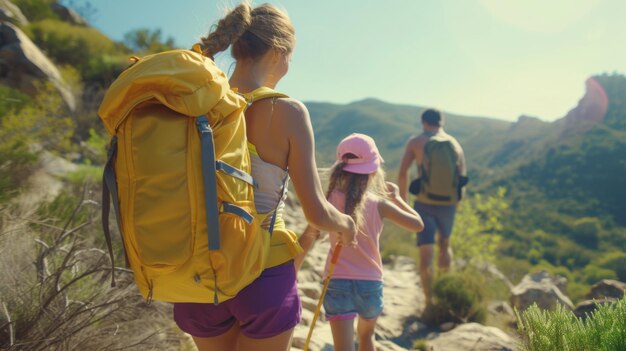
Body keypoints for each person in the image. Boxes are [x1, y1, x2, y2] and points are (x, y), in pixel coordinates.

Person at [172, 4, 357, 351]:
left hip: (197, 274)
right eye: (290, 55)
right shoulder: (286, 111)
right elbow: (317, 213)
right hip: (262, 273)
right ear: (277, 52)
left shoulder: (197, 103)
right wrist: (345, 223)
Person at [296, 133, 424, 351]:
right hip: (370, 284)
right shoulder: (380, 204)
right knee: (366, 338)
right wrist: (398, 199)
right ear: (373, 172)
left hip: (337, 282)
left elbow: (309, 236)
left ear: (340, 169)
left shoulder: (328, 203)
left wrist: (292, 271)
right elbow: (418, 224)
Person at [397, 108, 467, 305]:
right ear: (441, 122)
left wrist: (403, 204)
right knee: (445, 245)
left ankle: (429, 302)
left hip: (424, 203)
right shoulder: (454, 143)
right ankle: (445, 296)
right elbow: (462, 178)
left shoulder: (416, 142)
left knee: (426, 252)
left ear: (423, 122)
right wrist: (456, 204)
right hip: (448, 204)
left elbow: (403, 173)